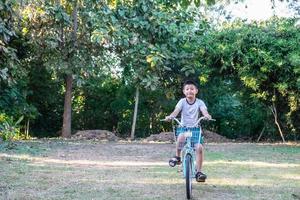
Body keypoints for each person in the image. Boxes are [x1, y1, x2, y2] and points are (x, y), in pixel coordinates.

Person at [165, 80, 212, 182]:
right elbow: (176, 111)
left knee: (199, 148)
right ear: (184, 91)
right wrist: (171, 116)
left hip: (195, 129)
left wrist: (207, 115)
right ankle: (177, 157)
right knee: (181, 136)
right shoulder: (182, 102)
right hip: (184, 127)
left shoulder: (200, 102)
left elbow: (204, 111)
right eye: (187, 89)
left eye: (192, 89)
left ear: (196, 91)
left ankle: (199, 172)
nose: (189, 91)